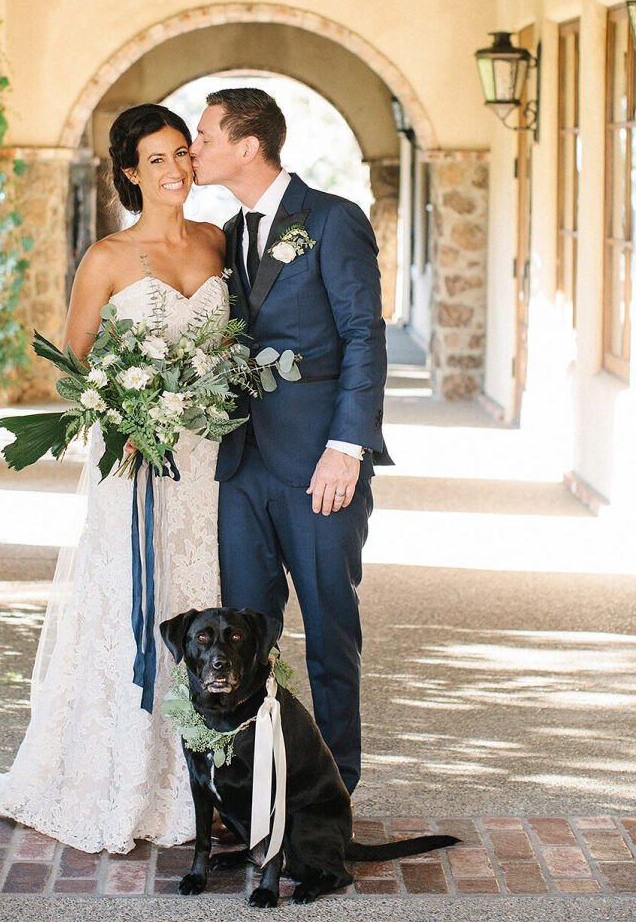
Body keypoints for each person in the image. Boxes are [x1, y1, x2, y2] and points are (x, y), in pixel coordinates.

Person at [0, 103, 227, 853]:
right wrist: (130, 406)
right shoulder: (108, 257)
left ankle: (202, 777)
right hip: (139, 466)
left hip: (207, 467)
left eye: (182, 152)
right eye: (156, 161)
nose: (176, 169)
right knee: (129, 610)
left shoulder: (217, 243)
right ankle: (113, 773)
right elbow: (74, 367)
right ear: (128, 174)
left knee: (200, 598)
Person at [189, 87, 391, 795]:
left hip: (318, 465)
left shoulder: (333, 221)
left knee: (331, 633)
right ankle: (247, 795)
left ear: (248, 146)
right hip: (242, 467)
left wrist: (347, 446)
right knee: (240, 643)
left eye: (205, 135)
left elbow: (365, 333)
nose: (194, 147)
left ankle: (332, 795)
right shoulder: (228, 232)